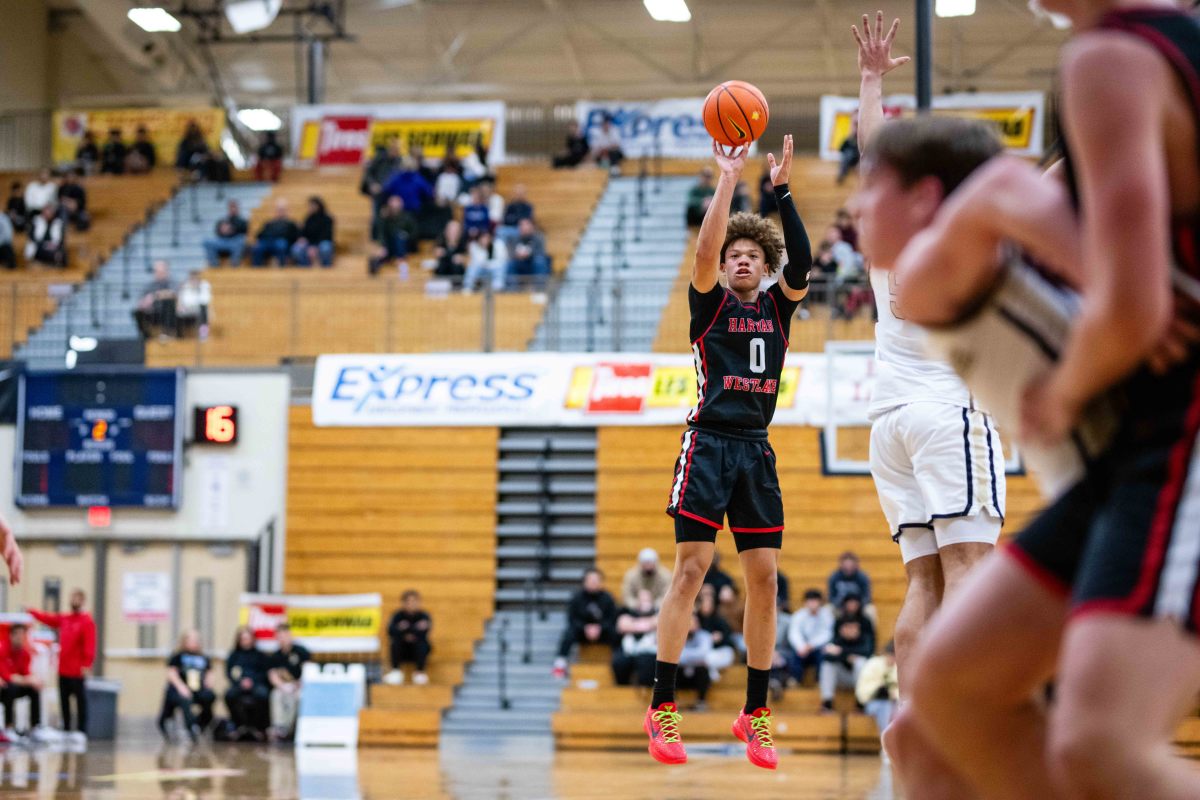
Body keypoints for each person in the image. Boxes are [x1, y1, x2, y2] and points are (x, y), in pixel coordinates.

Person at [882, 3, 1200, 798]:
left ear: (924, 199)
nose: (852, 210)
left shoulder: (1111, 59)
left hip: (1175, 436)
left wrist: (1062, 390)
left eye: (868, 189)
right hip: (1113, 470)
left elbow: (1012, 193)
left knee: (1099, 746)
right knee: (929, 725)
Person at [851, 10, 1003, 700]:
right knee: (972, 566)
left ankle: (912, 726)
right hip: (947, 414)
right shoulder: (953, 236)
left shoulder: (894, 232)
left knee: (924, 579)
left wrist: (870, 79)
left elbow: (872, 154)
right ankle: (963, 723)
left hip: (889, 425)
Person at [647, 134, 811, 771]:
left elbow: (801, 261)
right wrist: (727, 178)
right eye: (734, 254)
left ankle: (756, 711)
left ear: (763, 265)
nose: (740, 260)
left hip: (755, 452)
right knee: (690, 571)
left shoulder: (778, 306)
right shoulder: (707, 304)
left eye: (751, 255)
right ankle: (664, 706)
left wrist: (783, 192)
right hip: (707, 444)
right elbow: (706, 247)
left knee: (765, 582)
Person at [27, 589, 96, 742]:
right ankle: (66, 729)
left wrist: (87, 664)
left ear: (83, 601)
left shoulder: (86, 621)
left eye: (77, 598)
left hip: (77, 670)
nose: (74, 601)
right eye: (72, 597)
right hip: (63, 668)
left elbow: (89, 645)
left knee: (80, 701)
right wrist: (32, 612)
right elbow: (48, 619)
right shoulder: (65, 619)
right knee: (63, 700)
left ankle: (81, 730)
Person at [553, 568, 619, 679]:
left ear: (600, 581)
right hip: (582, 632)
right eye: (591, 580)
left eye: (596, 580)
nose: (593, 582)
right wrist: (585, 628)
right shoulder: (577, 597)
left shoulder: (607, 598)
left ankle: (618, 661)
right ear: (585, 581)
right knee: (569, 633)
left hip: (602, 632)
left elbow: (612, 618)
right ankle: (560, 663)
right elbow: (571, 619)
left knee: (617, 633)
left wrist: (600, 628)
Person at [158, 629, 214, 743]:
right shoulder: (177, 656)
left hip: (198, 689)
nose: (194, 643)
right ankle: (190, 727)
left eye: (196, 641)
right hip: (179, 689)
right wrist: (181, 687)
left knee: (210, 697)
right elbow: (172, 674)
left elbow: (210, 672)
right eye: (191, 640)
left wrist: (208, 684)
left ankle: (200, 723)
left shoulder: (203, 658)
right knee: (184, 699)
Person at [0, 624, 53, 742]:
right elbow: (7, 676)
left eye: (23, 635)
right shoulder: (3, 650)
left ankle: (35, 727)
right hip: (4, 689)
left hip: (14, 686)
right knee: (11, 688)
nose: (20, 638)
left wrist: (34, 680)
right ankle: (8, 727)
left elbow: (26, 673)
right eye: (17, 634)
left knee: (34, 689)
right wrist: (27, 680)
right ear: (11, 636)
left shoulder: (24, 654)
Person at [818, 607, 874, 713]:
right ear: (841, 629)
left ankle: (860, 702)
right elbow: (827, 656)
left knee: (860, 662)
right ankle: (827, 702)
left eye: (854, 627)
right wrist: (848, 656)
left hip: (859, 678)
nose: (851, 630)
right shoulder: (836, 640)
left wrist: (841, 652)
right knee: (827, 665)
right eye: (848, 627)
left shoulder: (864, 639)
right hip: (840, 678)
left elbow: (867, 652)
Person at [266, 624, 310, 742]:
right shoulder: (276, 656)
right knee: (276, 695)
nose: (283, 639)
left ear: (290, 636)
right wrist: (282, 686)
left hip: (299, 686)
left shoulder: (301, 652)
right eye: (279, 636)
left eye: (285, 635)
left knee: (296, 697)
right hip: (283, 686)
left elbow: (308, 670)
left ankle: (288, 730)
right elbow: (272, 675)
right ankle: (279, 727)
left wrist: (298, 684)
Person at [224, 627, 268, 740]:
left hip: (256, 684)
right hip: (239, 684)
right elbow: (229, 673)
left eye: (247, 638)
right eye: (243, 639)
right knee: (229, 695)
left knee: (263, 694)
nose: (245, 641)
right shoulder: (234, 655)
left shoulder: (260, 655)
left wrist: (252, 681)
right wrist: (240, 682)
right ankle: (237, 724)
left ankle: (258, 727)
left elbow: (264, 672)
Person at [383, 590, 432, 686]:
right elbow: (391, 631)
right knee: (395, 642)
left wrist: (404, 630)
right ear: (403, 603)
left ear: (418, 602)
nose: (411, 604)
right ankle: (396, 671)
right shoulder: (397, 615)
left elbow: (425, 632)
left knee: (423, 644)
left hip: (417, 649)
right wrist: (411, 630)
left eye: (414, 601)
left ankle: (420, 672)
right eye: (408, 601)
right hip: (402, 649)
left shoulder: (424, 615)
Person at [611, 589, 659, 688]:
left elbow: (659, 622)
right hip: (630, 649)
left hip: (649, 651)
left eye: (647, 599)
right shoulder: (628, 612)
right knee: (619, 662)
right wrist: (647, 625)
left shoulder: (658, 612)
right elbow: (622, 625)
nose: (644, 602)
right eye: (642, 599)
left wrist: (634, 624)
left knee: (646, 662)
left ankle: (647, 689)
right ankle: (623, 687)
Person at [786, 588, 834, 686]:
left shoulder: (826, 615)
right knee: (795, 655)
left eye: (815, 600)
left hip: (819, 647)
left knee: (824, 655)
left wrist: (812, 645)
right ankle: (795, 679)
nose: (812, 603)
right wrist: (801, 646)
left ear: (820, 602)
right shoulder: (798, 615)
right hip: (802, 648)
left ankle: (820, 680)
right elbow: (794, 633)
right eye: (810, 600)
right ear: (805, 602)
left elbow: (827, 633)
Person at [856, 640, 898, 742]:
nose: (892, 659)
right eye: (891, 655)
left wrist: (892, 693)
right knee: (884, 706)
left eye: (895, 656)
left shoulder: (899, 667)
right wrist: (878, 689)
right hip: (873, 703)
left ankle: (900, 743)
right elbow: (862, 689)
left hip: (895, 703)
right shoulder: (872, 664)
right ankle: (887, 742)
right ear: (886, 654)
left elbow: (905, 691)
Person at [369, 195, 418, 278]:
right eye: (392, 204)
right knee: (378, 255)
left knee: (400, 236)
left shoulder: (407, 217)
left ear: (401, 205)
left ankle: (401, 260)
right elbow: (380, 232)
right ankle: (376, 269)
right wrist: (382, 246)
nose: (394, 206)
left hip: (405, 246)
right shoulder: (385, 218)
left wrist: (406, 235)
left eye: (396, 203)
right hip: (390, 246)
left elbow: (415, 233)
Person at [677, 614, 714, 710]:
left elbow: (703, 653)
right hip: (681, 673)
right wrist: (693, 658)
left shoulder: (705, 636)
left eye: (693, 622)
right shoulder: (677, 635)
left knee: (703, 670)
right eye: (688, 622)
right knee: (671, 669)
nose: (690, 625)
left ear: (698, 624)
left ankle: (701, 701)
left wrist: (684, 656)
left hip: (697, 673)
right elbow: (673, 654)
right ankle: (672, 701)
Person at [695, 585, 735, 675]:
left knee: (708, 658)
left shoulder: (719, 618)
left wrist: (721, 637)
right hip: (703, 650)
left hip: (721, 649)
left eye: (710, 603)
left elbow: (728, 636)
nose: (707, 606)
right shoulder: (696, 618)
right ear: (700, 604)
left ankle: (711, 671)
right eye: (705, 603)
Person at [132, 260, 176, 338]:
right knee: (138, 312)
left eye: (161, 272)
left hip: (166, 313)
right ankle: (146, 337)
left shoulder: (172, 283)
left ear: (166, 271)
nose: (158, 274)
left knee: (168, 303)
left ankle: (167, 334)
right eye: (156, 271)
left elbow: (173, 294)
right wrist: (143, 303)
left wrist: (154, 296)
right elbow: (141, 300)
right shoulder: (151, 285)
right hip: (153, 312)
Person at [250, 201, 300, 267]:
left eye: (282, 210)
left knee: (281, 245)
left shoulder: (290, 223)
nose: (280, 212)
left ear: (286, 211)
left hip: (281, 241)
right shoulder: (269, 223)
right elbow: (260, 234)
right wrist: (258, 240)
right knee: (257, 248)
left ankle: (282, 267)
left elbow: (295, 235)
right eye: (279, 210)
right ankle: (256, 269)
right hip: (267, 241)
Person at [290, 197, 335, 268]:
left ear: (318, 206)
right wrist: (301, 238)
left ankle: (326, 268)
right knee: (296, 249)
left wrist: (315, 247)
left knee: (325, 248)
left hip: (321, 242)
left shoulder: (327, 219)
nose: (309, 207)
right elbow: (304, 233)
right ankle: (304, 267)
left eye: (311, 205)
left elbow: (327, 235)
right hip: (309, 243)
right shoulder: (308, 218)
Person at [461, 229, 508, 294]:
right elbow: (476, 262)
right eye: (483, 238)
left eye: (487, 238)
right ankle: (467, 287)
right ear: (479, 238)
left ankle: (497, 288)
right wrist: (483, 249)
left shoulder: (499, 244)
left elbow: (501, 260)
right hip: (481, 270)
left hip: (494, 269)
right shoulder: (474, 246)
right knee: (472, 267)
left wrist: (488, 264)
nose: (485, 240)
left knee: (501, 267)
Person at [204, 200, 248, 267]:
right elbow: (217, 232)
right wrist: (222, 230)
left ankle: (234, 264)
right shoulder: (222, 220)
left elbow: (244, 231)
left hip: (234, 241)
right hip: (223, 241)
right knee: (206, 241)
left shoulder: (242, 221)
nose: (233, 209)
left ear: (238, 208)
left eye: (234, 207)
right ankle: (214, 265)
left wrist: (232, 230)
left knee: (241, 240)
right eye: (231, 207)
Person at [508, 218, 550, 290]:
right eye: (521, 225)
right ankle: (512, 289)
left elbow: (541, 252)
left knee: (539, 261)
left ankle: (539, 288)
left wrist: (529, 254)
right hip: (519, 263)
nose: (523, 227)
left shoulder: (538, 238)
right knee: (510, 264)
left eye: (526, 225)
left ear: (532, 226)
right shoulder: (514, 239)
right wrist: (517, 255)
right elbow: (511, 252)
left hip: (532, 263)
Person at [175, 271, 212, 340]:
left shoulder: (204, 286)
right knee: (176, 312)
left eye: (196, 279)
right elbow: (182, 301)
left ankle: (203, 334)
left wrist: (197, 290)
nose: (194, 281)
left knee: (203, 310)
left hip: (199, 310)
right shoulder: (185, 286)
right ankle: (179, 336)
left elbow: (205, 301)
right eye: (192, 279)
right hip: (186, 310)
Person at [433, 218, 468, 286]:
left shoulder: (464, 242)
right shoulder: (440, 241)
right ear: (446, 230)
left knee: (456, 266)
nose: (453, 233)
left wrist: (462, 258)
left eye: (455, 230)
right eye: (451, 230)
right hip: (442, 274)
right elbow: (432, 256)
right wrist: (437, 253)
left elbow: (469, 258)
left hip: (458, 276)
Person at [837, 115, 861, 185]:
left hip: (860, 158)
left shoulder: (863, 138)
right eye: (855, 125)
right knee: (848, 154)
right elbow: (841, 149)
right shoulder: (849, 139)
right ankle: (842, 174)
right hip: (852, 159)